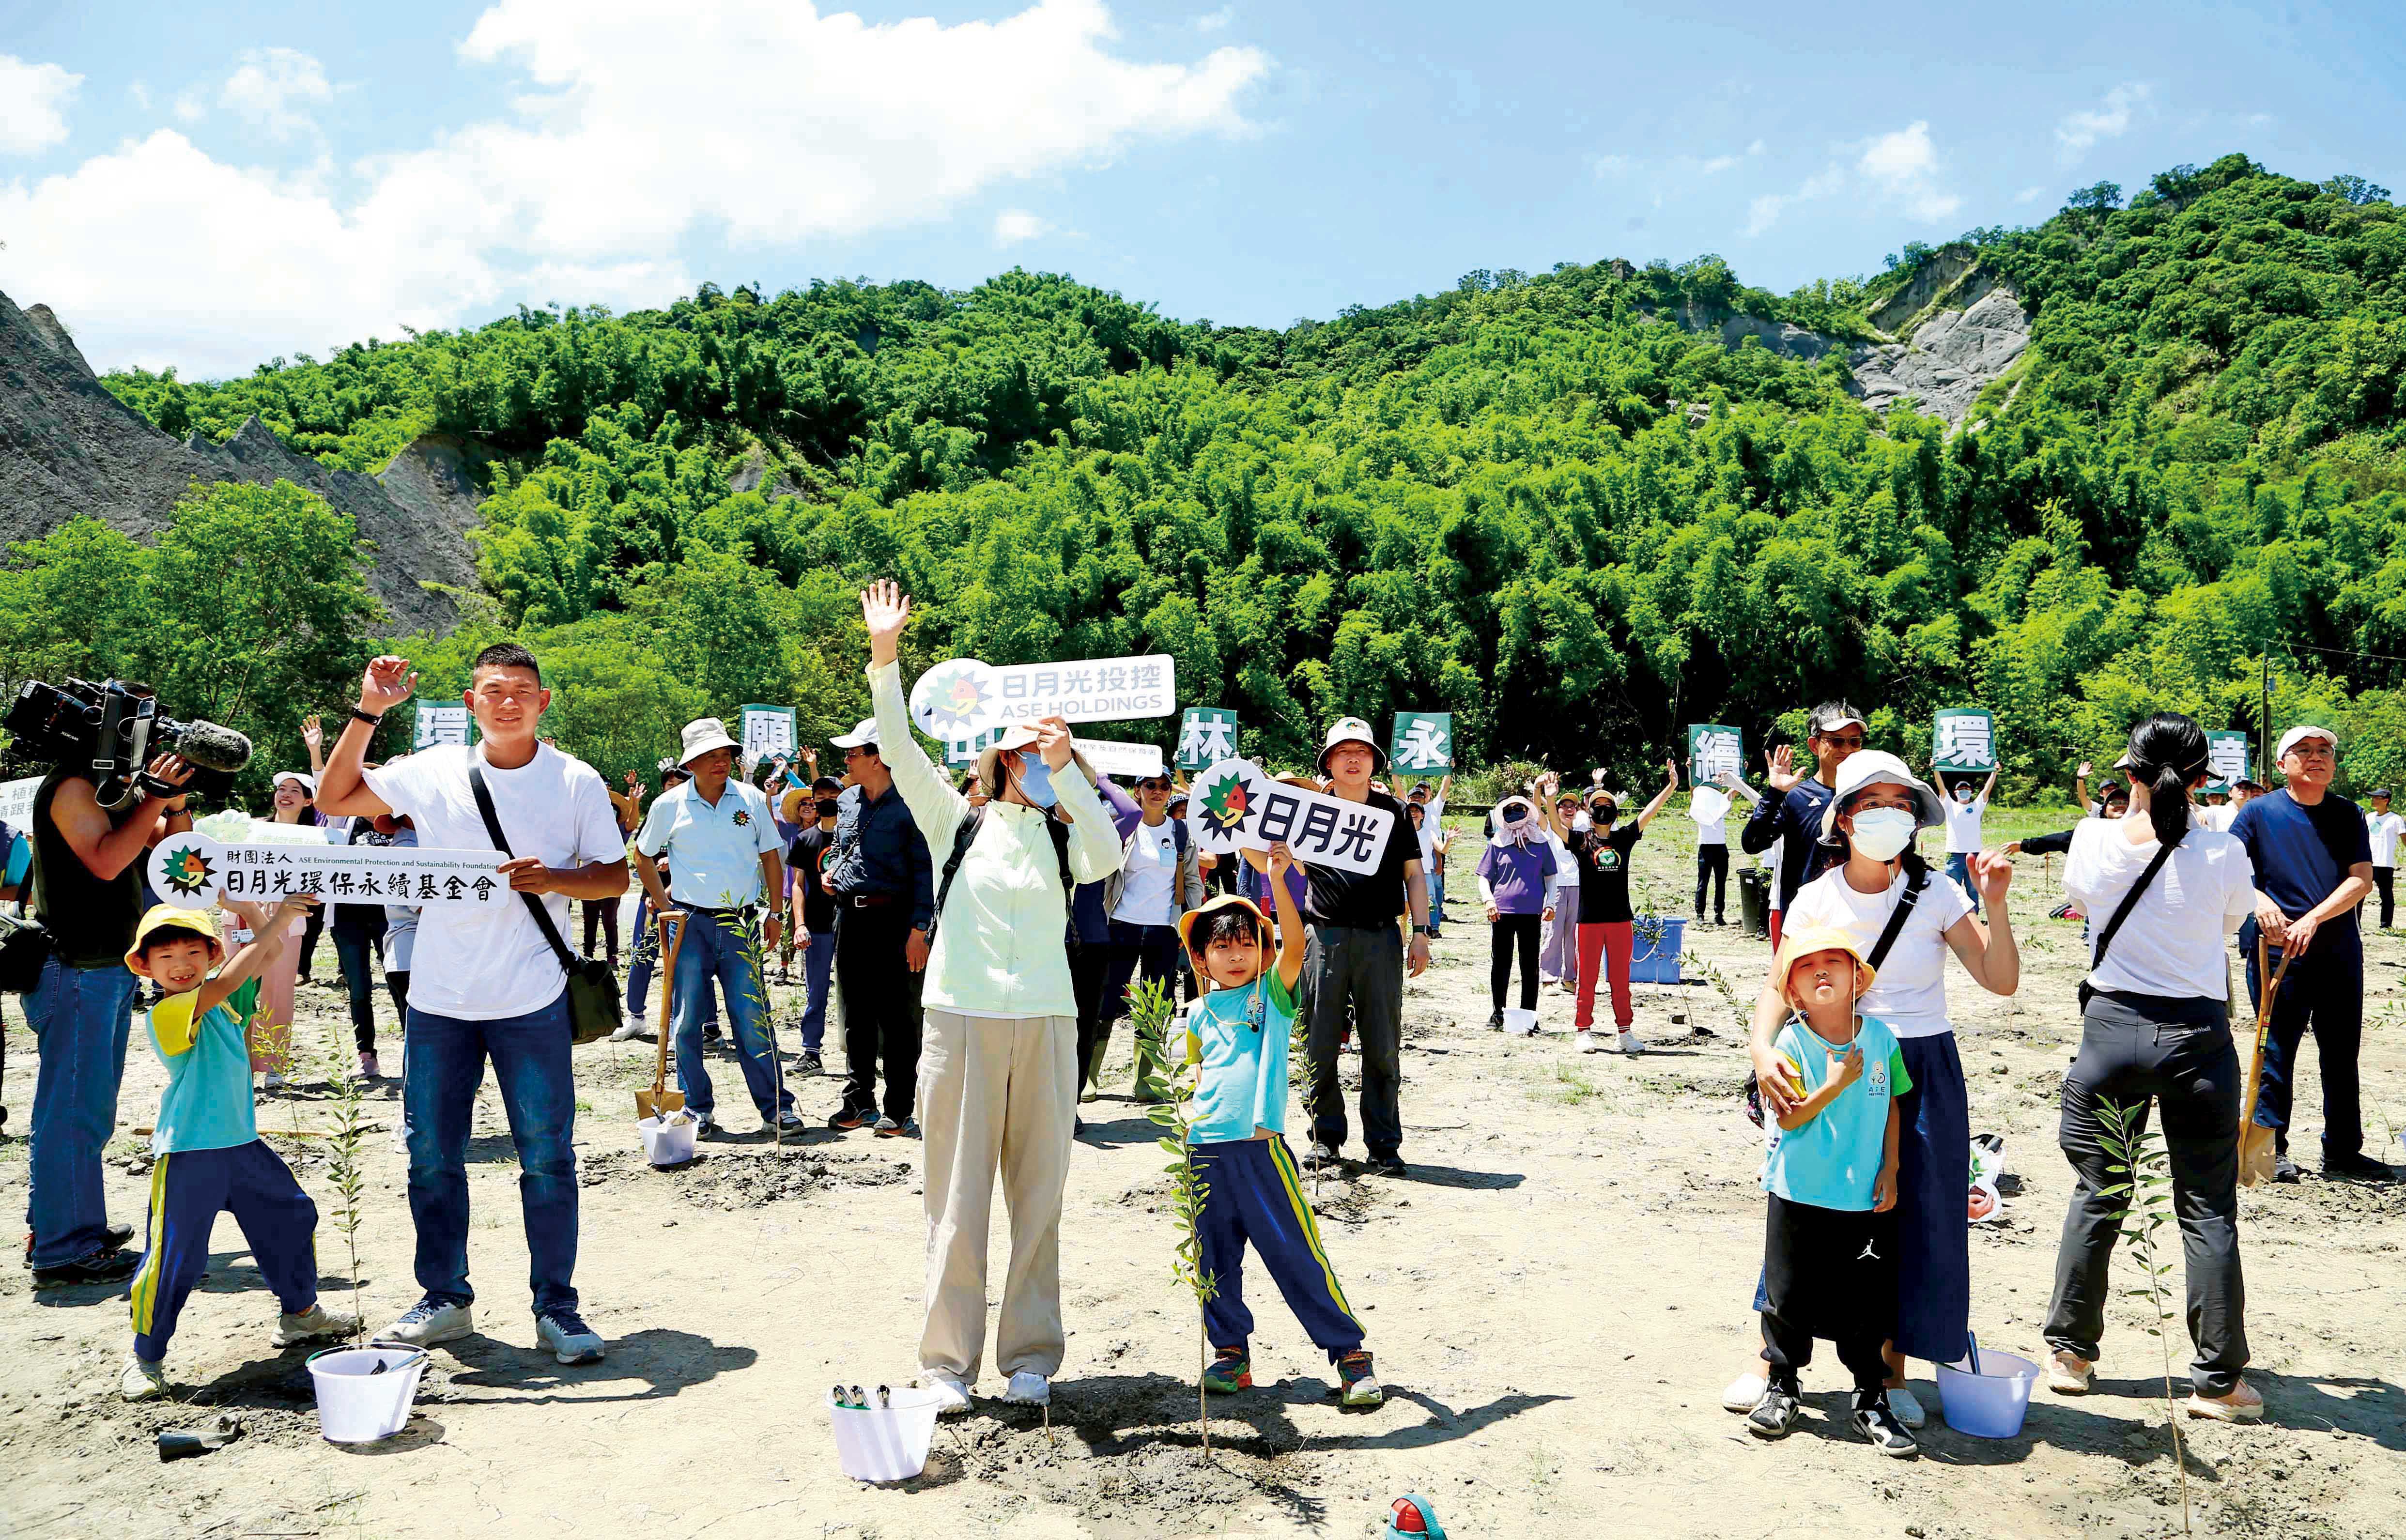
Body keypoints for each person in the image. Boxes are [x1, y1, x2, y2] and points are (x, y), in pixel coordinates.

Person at [317, 643, 630, 1365]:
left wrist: (554, 878)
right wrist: (369, 711)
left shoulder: (575, 780)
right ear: (470, 703)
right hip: (439, 998)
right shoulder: (431, 771)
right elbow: (335, 799)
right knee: (430, 1155)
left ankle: (557, 1308)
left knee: (547, 1157)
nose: (508, 702)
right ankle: (445, 1298)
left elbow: (614, 877)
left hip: (533, 997)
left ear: (543, 701)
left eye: (522, 690)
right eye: (494, 690)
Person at [859, 580, 1124, 1413]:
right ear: (1002, 762)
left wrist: (1068, 771)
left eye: (1050, 757)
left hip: (1045, 1021)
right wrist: (885, 656)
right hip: (962, 1021)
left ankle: (1031, 1355)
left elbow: (1110, 853)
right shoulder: (954, 822)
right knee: (956, 1198)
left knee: (1039, 1197)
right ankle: (946, 1364)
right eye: (1031, 756)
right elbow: (899, 749)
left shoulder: (1064, 836)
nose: (1042, 767)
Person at [1729, 750, 2018, 1429]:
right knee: (1803, 1206)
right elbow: (1777, 986)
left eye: (1901, 803)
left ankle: (1891, 1372)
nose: (1889, 814)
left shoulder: (1938, 893)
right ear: (1843, 819)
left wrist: (1996, 906)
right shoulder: (1816, 897)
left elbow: (2000, 980)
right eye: (1873, 803)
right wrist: (1762, 1049)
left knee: (1911, 1213)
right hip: (1832, 1058)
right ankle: (1773, 1364)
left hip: (1920, 1062)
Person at [2039, 714, 2263, 1420]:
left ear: (2130, 772)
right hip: (2197, 1037)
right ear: (2201, 779)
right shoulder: (2224, 850)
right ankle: (2218, 1382)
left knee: (2099, 1193)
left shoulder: (2092, 839)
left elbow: (2082, 906)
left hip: (2110, 1030)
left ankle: (2071, 1354)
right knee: (2207, 1208)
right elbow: (2227, 926)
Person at [117, 899, 350, 1400]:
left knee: (292, 1217)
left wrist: (249, 909)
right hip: (189, 1154)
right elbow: (228, 979)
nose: (181, 965)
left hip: (243, 1146)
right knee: (176, 1257)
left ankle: (301, 1314)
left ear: (210, 955)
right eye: (166, 957)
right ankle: (146, 1357)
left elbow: (268, 957)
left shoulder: (224, 1004)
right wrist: (280, 919)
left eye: (192, 953)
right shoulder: (168, 1012)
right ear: (146, 967)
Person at [1181, 854, 1384, 1410]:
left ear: (1263, 952)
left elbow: (1296, 945)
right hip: (1204, 1154)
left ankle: (1350, 1355)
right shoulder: (1195, 1013)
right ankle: (1230, 1353)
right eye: (1222, 946)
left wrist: (1277, 879)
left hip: (1261, 1153)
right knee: (1214, 1261)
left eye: (1247, 944)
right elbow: (1197, 1078)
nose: (1236, 955)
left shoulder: (1270, 996)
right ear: (1200, 957)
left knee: (1296, 1255)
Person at [25, 725, 197, 1287]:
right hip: (77, 969)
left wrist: (174, 804)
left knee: (84, 1108)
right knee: (74, 1111)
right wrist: (151, 799)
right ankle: (65, 1248)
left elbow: (180, 860)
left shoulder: (112, 790)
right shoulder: (73, 787)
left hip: (103, 970)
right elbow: (106, 862)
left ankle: (60, 1226)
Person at [1743, 928, 1916, 1456]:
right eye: (1806, 965)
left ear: (1857, 980)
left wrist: (1892, 1167)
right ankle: (1782, 1386)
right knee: (1788, 1296)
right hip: (1797, 1192)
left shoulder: (1882, 1039)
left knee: (1866, 1302)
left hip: (1863, 1199)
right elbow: (1790, 1119)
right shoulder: (1791, 1043)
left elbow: (1894, 1104)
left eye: (1834, 962)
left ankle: (1870, 1397)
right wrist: (1835, 1084)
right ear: (1793, 993)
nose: (1821, 970)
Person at [2231, 725, 2390, 1183]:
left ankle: (2343, 1151)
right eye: (2304, 750)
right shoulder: (2258, 812)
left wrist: (2313, 919)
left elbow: (2361, 879)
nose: (2316, 757)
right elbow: (2228, 870)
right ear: (2283, 764)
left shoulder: (2348, 814)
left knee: (2341, 1053)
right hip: (2277, 951)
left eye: (2324, 751)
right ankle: (2269, 1151)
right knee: (2275, 1050)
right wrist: (2260, 902)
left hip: (2338, 951)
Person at [632, 718, 799, 1136]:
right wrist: (665, 905)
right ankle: (696, 1108)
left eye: (726, 754)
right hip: (689, 923)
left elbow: (771, 856)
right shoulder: (669, 804)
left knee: (752, 1018)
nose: (721, 762)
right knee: (687, 1021)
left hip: (741, 922)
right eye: (710, 756)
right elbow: (643, 855)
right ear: (691, 764)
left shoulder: (751, 799)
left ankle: (777, 1109)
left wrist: (775, 913)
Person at [1290, 717, 1432, 1178]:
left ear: (1374, 761)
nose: (1353, 759)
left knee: (1382, 1044)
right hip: (1324, 937)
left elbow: (1414, 874)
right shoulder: (1308, 810)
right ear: (1328, 762)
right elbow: (1273, 855)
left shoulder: (1394, 812)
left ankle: (1384, 1144)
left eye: (1363, 752)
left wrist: (1422, 931)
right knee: (1318, 1041)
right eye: (1343, 752)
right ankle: (1325, 1137)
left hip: (1380, 938)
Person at [821, 714, 935, 1135]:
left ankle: (899, 1107)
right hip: (850, 917)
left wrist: (919, 930)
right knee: (856, 1013)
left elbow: (925, 871)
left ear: (878, 758)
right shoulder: (849, 800)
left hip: (895, 920)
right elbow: (839, 848)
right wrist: (833, 871)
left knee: (898, 1017)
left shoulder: (912, 804)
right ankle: (859, 1101)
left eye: (853, 753)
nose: (847, 761)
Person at [1101, 771, 1202, 1100]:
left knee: (1155, 1004)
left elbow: (1192, 881)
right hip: (1121, 924)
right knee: (1107, 1000)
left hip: (1164, 929)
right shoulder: (1124, 827)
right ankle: (1089, 1077)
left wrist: (1192, 923)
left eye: (1165, 786)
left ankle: (1143, 1081)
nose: (1158, 791)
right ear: (1137, 791)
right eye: (1150, 785)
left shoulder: (1182, 832)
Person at [1569, 761, 1679, 1055]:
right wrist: (1549, 798)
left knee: (1620, 979)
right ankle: (1583, 1030)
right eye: (1597, 806)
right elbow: (1555, 826)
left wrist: (1671, 787)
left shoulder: (1623, 839)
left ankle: (1625, 1033)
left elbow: (1648, 813)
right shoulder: (1581, 841)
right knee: (1587, 979)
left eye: (1608, 806)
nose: (1603, 810)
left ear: (1616, 813)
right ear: (1589, 812)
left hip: (1620, 920)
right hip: (1589, 921)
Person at [1742, 704, 1868, 947]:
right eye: (1837, 741)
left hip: (1860, 919)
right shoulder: (1796, 796)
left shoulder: (1873, 797)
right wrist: (1774, 794)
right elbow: (1752, 843)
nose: (1847, 749)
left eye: (1854, 742)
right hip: (1806, 923)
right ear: (1814, 745)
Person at [1477, 796, 1558, 1031]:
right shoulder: (1497, 843)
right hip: (1501, 912)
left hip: (1532, 912)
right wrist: (1488, 900)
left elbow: (1551, 877)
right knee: (1501, 963)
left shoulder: (1540, 842)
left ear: (1528, 812)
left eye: (1519, 808)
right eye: (1510, 809)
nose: (1515, 812)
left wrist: (1550, 903)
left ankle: (1529, 1016)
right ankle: (1498, 1012)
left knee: (1530, 965)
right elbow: (1484, 877)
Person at [782, 774, 844, 1075]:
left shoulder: (855, 835)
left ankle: (861, 1054)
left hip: (852, 924)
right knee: (816, 990)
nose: (827, 800)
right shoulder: (806, 839)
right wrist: (799, 924)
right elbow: (798, 884)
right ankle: (811, 1052)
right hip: (817, 925)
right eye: (821, 796)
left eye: (833, 795)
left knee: (858, 992)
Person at [331, 803, 394, 1078]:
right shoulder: (342, 822)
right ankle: (366, 1055)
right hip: (348, 917)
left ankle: (415, 1053)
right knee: (358, 989)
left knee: (401, 985)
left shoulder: (400, 822)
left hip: (390, 917)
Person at [1537, 785, 1583, 994]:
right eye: (1564, 806)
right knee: (1553, 933)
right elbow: (1537, 810)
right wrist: (1538, 790)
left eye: (1572, 806)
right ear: (1557, 810)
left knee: (1574, 935)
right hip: (1556, 888)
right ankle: (1548, 979)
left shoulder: (1583, 832)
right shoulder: (1550, 830)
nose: (1569, 809)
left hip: (1579, 888)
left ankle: (1570, 978)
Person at [1940, 767, 1999, 916]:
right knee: (1952, 889)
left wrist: (1995, 772)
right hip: (1954, 855)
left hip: (1974, 855)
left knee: (1973, 889)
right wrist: (1935, 769)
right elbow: (1941, 789)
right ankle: (1951, 918)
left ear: (1972, 792)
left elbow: (1986, 790)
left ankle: (1974, 917)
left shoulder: (1976, 807)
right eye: (1961, 790)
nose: (1964, 792)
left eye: (1967, 789)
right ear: (1955, 793)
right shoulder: (1950, 806)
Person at [1689, 761, 1734, 927]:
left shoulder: (1722, 803)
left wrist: (1742, 771)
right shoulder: (1700, 806)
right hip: (1706, 847)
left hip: (1721, 847)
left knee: (1721, 883)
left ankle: (1719, 914)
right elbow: (1693, 790)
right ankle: (1700, 914)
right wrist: (1690, 769)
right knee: (1703, 882)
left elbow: (1736, 789)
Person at [2365, 786, 2399, 931]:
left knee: (2386, 896)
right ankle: (2356, 925)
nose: (2373, 800)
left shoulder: (2395, 819)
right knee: (2359, 893)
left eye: (2376, 798)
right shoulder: (2369, 817)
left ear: (2386, 801)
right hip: (2368, 862)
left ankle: (2386, 925)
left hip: (2385, 863)